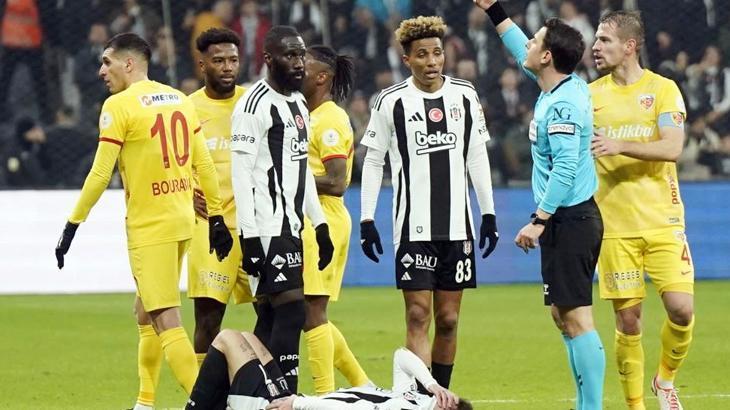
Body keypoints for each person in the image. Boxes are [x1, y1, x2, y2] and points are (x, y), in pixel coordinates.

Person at [53, 32, 233, 409]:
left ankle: (210, 405)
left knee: (166, 318)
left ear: (129, 63)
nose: (102, 71)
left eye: (107, 62)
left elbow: (100, 174)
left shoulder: (118, 106)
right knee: (144, 310)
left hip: (151, 228)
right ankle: (145, 401)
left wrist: (72, 224)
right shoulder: (179, 99)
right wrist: (216, 216)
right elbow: (203, 164)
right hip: (182, 220)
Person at [474, 1, 606, 408]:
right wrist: (494, 10)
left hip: (570, 219)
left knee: (577, 318)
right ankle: (584, 403)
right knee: (562, 315)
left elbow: (565, 169)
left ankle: (592, 407)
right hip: (568, 218)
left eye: (536, 41)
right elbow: (519, 48)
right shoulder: (562, 86)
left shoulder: (563, 105)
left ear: (547, 57)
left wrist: (539, 220)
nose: (528, 45)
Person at [359, 15, 499, 391]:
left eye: (437, 53)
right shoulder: (390, 101)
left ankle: (441, 394)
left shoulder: (465, 95)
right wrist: (367, 219)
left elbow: (476, 156)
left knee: (449, 320)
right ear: (407, 59)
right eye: (422, 54)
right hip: (412, 227)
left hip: (457, 227)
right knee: (418, 315)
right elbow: (373, 160)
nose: (432, 61)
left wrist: (488, 213)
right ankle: (422, 397)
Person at [590, 11, 694, 410]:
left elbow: (673, 147)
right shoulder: (589, 95)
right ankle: (636, 406)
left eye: (605, 40)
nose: (595, 47)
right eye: (596, 40)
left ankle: (664, 380)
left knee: (681, 311)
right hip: (614, 225)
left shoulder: (663, 89)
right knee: (628, 321)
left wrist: (619, 146)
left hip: (663, 220)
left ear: (629, 46)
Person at [230, 25, 334, 393]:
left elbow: (300, 169)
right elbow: (240, 175)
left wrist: (320, 224)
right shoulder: (253, 105)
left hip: (291, 227)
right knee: (292, 310)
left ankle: (246, 393)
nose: (299, 62)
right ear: (269, 59)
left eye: (301, 55)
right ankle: (284, 393)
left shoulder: (298, 104)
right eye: (290, 55)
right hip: (265, 227)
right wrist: (249, 238)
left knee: (270, 318)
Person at [299, 44, 370, 394]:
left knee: (312, 311)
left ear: (322, 77)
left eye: (304, 67)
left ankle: (325, 394)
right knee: (305, 311)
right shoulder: (305, 114)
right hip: (307, 219)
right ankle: (363, 384)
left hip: (323, 218)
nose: (297, 70)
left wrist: (287, 177)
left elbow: (337, 181)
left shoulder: (329, 118)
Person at [186, 329, 471, 410]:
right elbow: (401, 356)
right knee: (248, 339)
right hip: (295, 403)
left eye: (449, 402)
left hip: (289, 407)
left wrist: (299, 403)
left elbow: (352, 407)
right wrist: (432, 384)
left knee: (227, 339)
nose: (445, 399)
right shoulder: (415, 400)